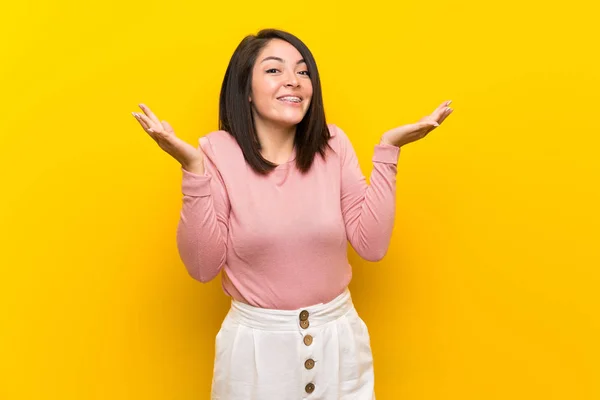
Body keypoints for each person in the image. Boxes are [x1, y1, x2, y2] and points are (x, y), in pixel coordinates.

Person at [132, 28, 452, 400]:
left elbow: (372, 244)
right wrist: (193, 168)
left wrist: (389, 150)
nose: (293, 81)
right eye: (274, 70)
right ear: (246, 91)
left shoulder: (333, 145)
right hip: (256, 350)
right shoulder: (215, 153)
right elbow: (203, 266)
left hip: (338, 340)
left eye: (303, 72)